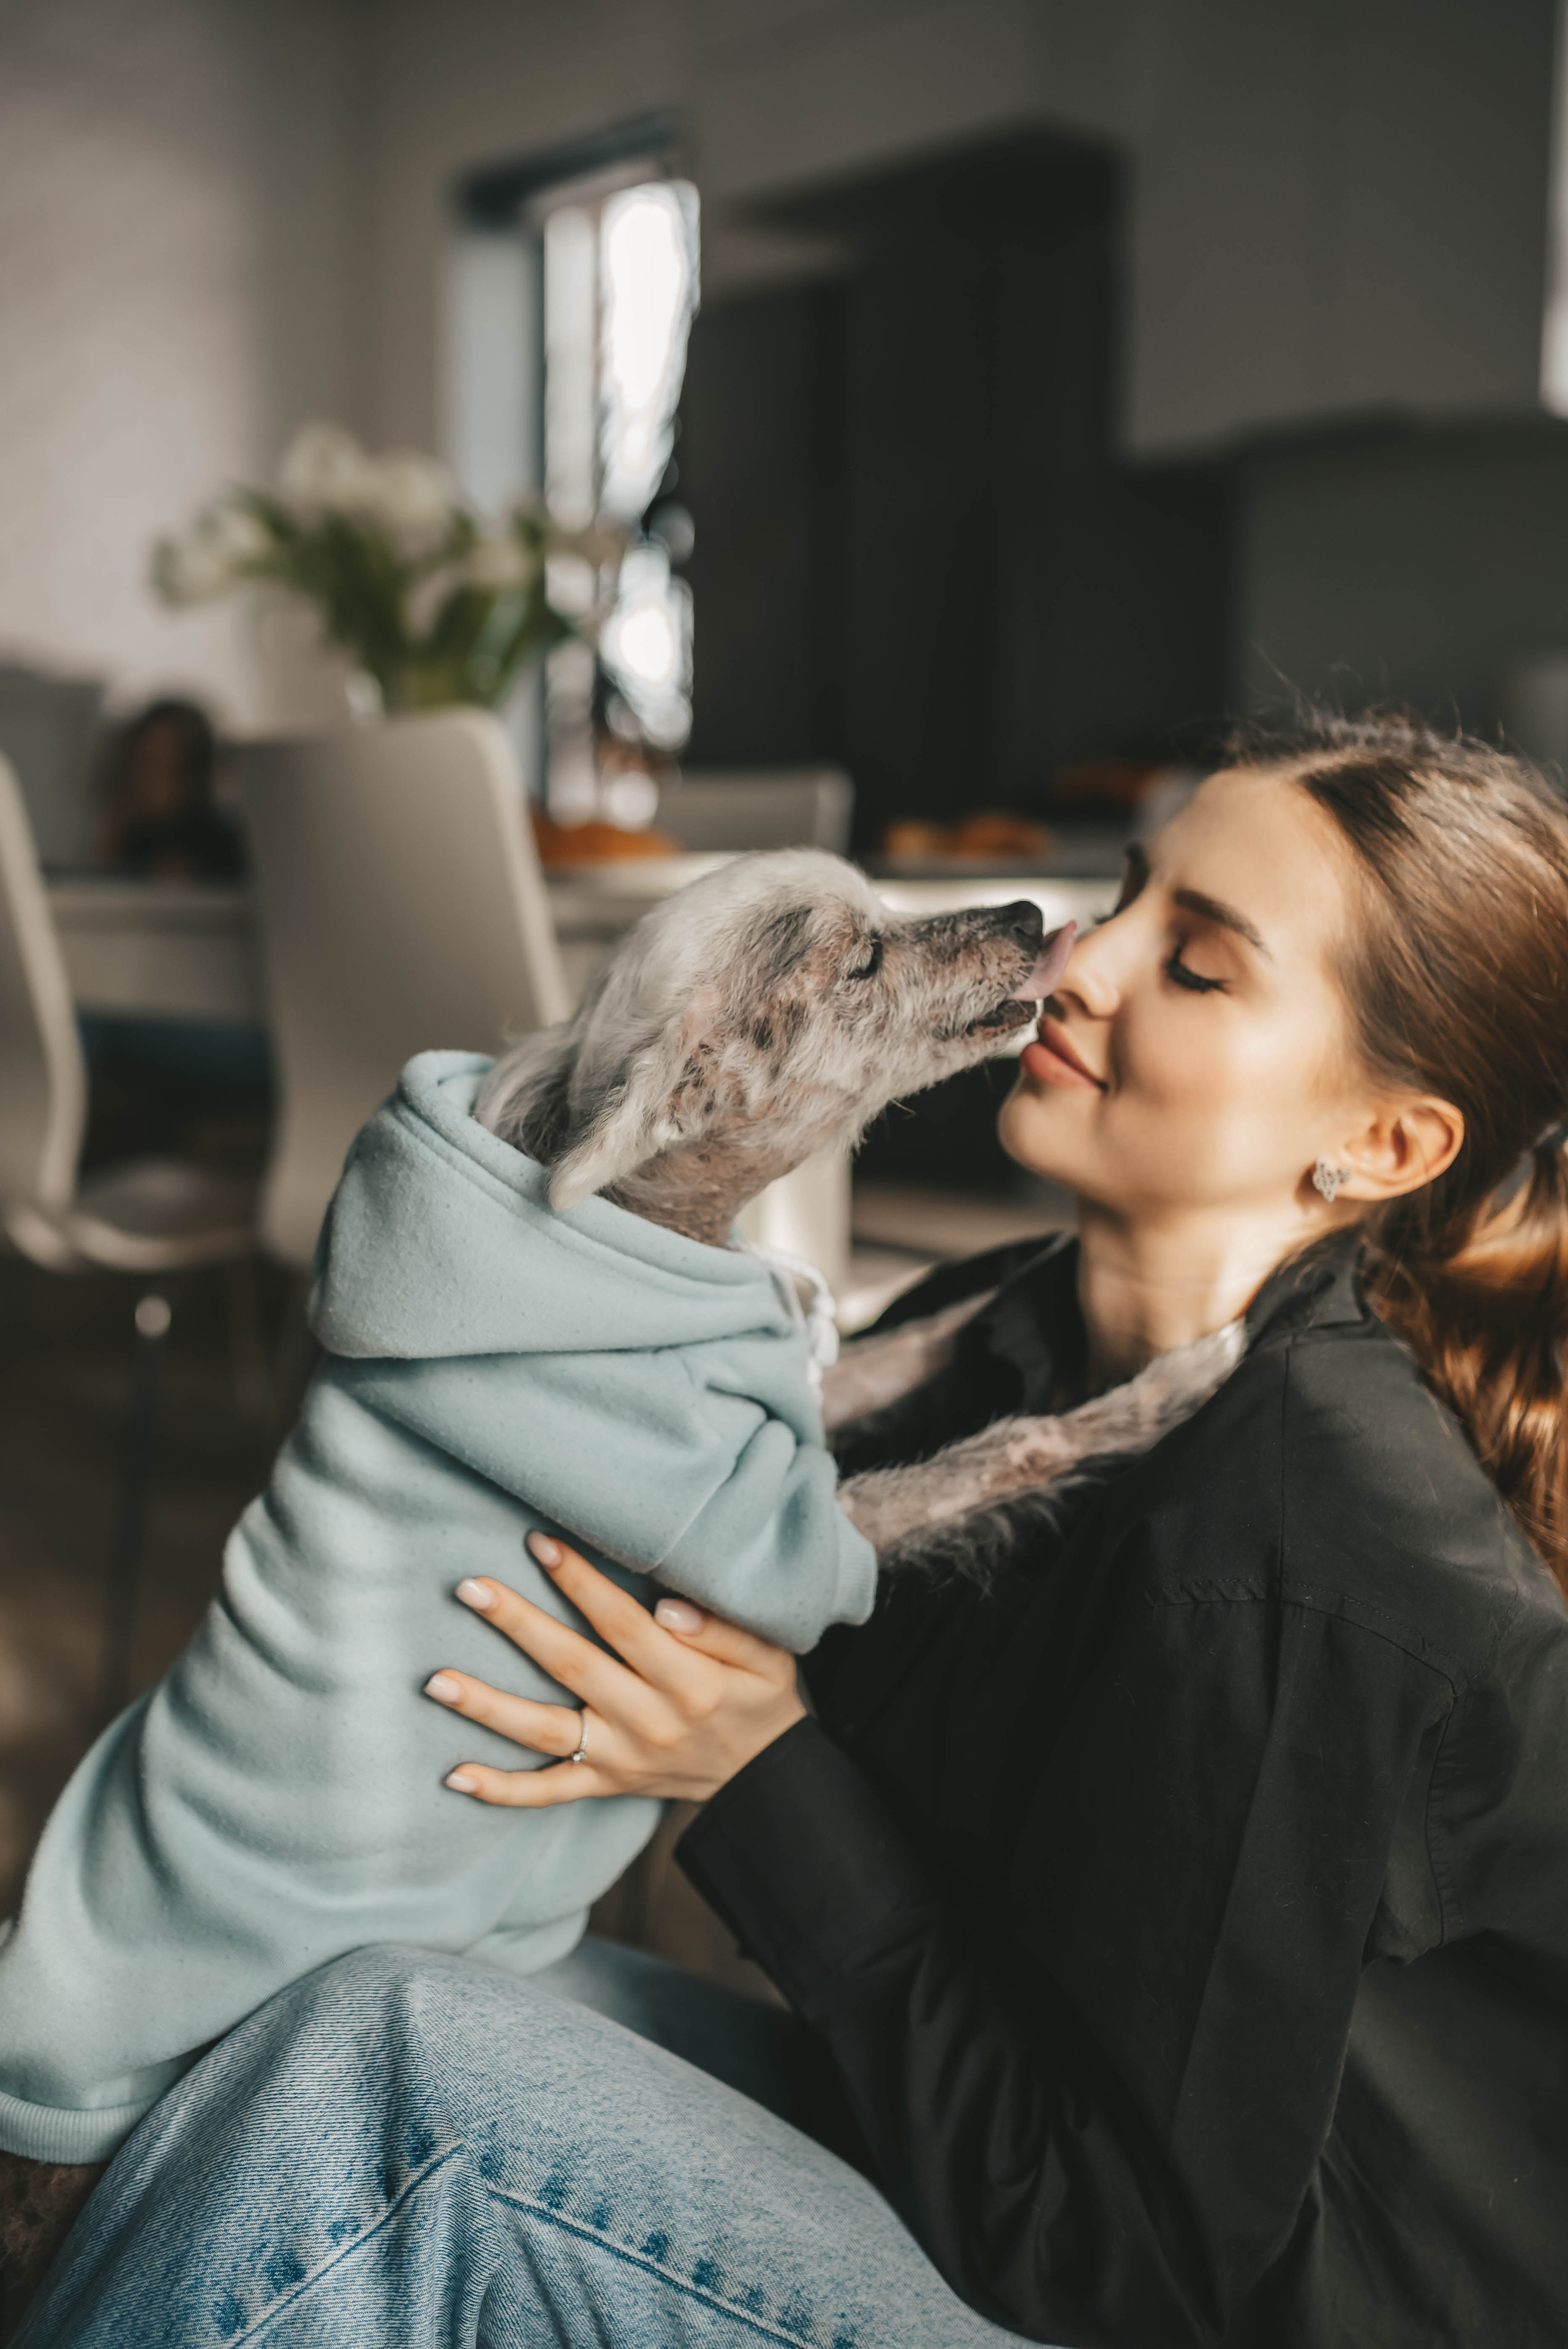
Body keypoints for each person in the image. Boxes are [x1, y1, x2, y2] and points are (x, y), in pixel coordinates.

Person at [20, 713, 1568, 2348]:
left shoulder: (1314, 1546)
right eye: (1126, 892)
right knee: (305, 2011)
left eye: (1197, 964)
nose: (1087, 956)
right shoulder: (1005, 1339)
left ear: (1384, 1143)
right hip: (955, 2161)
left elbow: (1131, 2264)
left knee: (397, 2080)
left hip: (1148, 2305)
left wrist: (761, 1762)